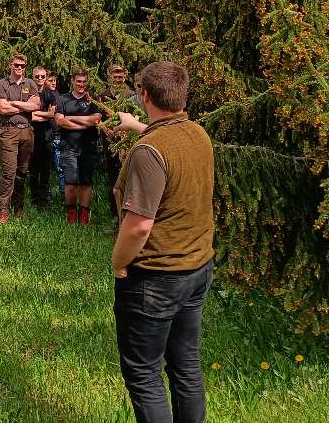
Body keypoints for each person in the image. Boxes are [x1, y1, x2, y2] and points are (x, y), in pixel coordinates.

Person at [111, 62, 214, 423]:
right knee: (186, 364)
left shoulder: (148, 152)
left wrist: (119, 263)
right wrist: (136, 126)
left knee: (144, 374)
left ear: (145, 96)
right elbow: (168, 145)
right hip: (197, 269)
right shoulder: (198, 134)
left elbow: (138, 227)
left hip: (156, 278)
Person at [0, 53, 39, 223]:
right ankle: (2, 210)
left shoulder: (30, 83)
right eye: (17, 65)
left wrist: (13, 103)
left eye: (23, 65)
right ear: (10, 65)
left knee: (22, 172)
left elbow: (36, 105)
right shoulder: (2, 84)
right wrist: (24, 107)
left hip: (27, 132)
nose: (20, 68)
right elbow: (2, 109)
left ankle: (18, 207)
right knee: (9, 172)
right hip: (9, 132)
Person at [55, 68, 104, 225]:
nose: (81, 84)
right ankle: (71, 212)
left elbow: (96, 119)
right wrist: (83, 124)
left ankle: (84, 214)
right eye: (78, 81)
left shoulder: (93, 99)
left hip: (88, 146)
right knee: (70, 182)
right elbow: (60, 121)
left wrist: (71, 117)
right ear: (72, 81)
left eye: (84, 81)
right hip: (69, 146)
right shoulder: (63, 99)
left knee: (85, 182)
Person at [98, 62, 136, 226]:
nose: (118, 79)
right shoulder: (102, 95)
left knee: (128, 176)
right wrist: (104, 128)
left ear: (125, 77)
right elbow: (97, 117)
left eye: (121, 76)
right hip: (109, 140)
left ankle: (129, 213)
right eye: (115, 76)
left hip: (126, 141)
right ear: (109, 77)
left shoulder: (131, 95)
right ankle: (115, 214)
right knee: (112, 177)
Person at [29, 65, 58, 210]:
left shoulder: (50, 94)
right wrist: (43, 115)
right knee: (33, 169)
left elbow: (52, 114)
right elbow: (29, 116)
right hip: (32, 135)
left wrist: (36, 115)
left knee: (45, 170)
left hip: (47, 136)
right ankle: (34, 198)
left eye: (43, 76)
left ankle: (45, 200)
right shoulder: (28, 92)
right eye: (37, 76)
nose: (40, 79)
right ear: (32, 77)